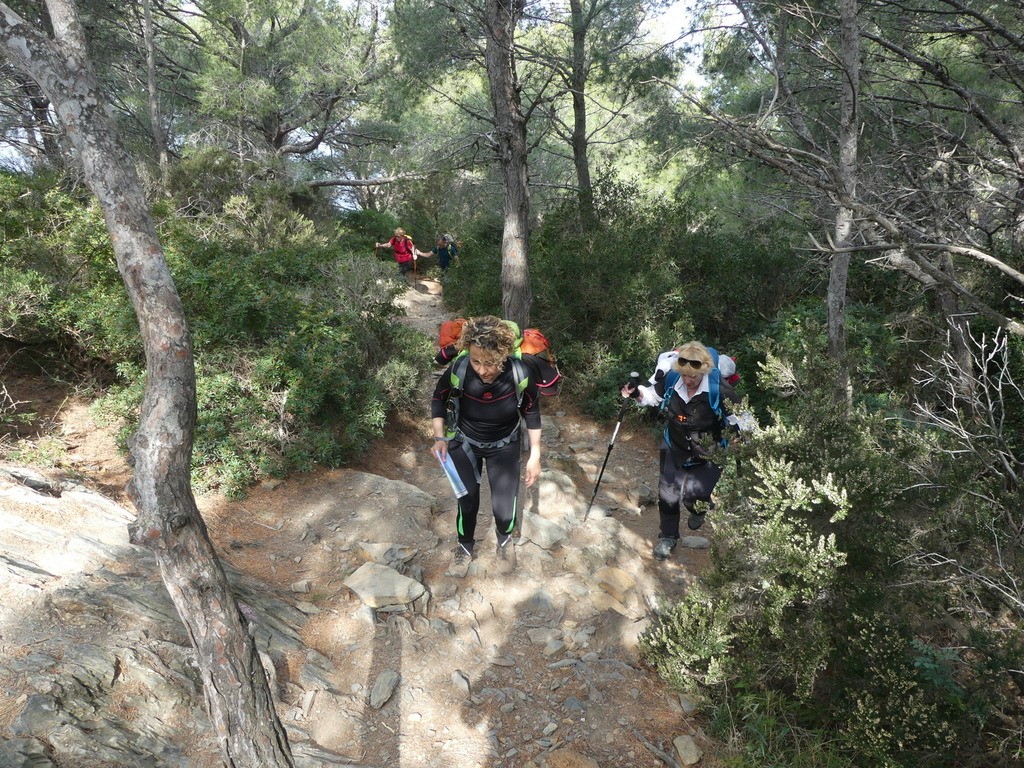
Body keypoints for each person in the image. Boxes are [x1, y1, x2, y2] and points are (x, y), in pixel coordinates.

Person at [430, 315, 542, 577]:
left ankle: (504, 541)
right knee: (467, 501)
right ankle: (465, 546)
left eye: (490, 362)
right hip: (463, 443)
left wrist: (535, 454)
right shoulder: (459, 368)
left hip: (504, 445)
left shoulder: (520, 373)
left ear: (503, 354)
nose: (482, 369)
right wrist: (439, 437)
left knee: (504, 505)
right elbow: (438, 398)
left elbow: (532, 413)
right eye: (476, 360)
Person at [621, 341, 741, 561]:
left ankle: (698, 508)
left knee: (694, 497)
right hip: (674, 445)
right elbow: (652, 398)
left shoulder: (721, 391)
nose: (688, 381)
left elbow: (742, 420)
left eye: (693, 377)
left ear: (704, 371)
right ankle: (668, 537)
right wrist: (636, 393)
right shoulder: (672, 379)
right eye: (684, 375)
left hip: (710, 452)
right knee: (667, 493)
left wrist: (741, 439)